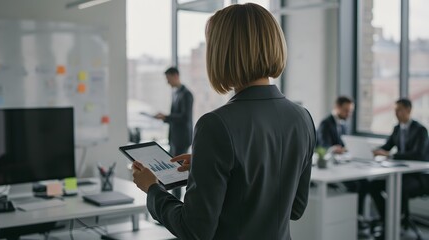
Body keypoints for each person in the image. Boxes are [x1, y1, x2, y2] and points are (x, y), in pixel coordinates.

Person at [132, 3, 316, 240]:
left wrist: (153, 189)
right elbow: (295, 208)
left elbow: (194, 230)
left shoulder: (216, 124)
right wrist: (208, 166)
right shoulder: (302, 118)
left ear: (223, 52)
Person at [370, 98, 429, 239]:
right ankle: (388, 220)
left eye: (399, 110)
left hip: (418, 177)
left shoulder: (421, 130)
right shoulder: (397, 128)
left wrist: (390, 155)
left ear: (408, 110)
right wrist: (377, 150)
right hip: (401, 175)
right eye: (395, 110)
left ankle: (397, 222)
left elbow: (419, 154)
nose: (396, 113)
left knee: (398, 188)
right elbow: (387, 146)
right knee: (373, 185)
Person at [317, 96, 369, 227]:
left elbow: (344, 144)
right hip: (329, 167)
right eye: (346, 110)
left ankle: (358, 216)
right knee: (355, 185)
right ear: (337, 107)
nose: (349, 114)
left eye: (351, 111)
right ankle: (353, 217)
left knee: (364, 182)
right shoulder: (326, 123)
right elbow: (323, 146)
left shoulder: (343, 124)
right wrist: (335, 149)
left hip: (342, 164)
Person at [154, 67, 193, 200]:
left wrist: (166, 117)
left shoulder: (186, 94)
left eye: (168, 79)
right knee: (174, 172)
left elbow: (185, 117)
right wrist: (165, 118)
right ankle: (174, 202)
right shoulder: (176, 93)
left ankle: (178, 205)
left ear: (175, 76)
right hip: (174, 138)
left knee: (178, 173)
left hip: (182, 139)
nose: (167, 82)